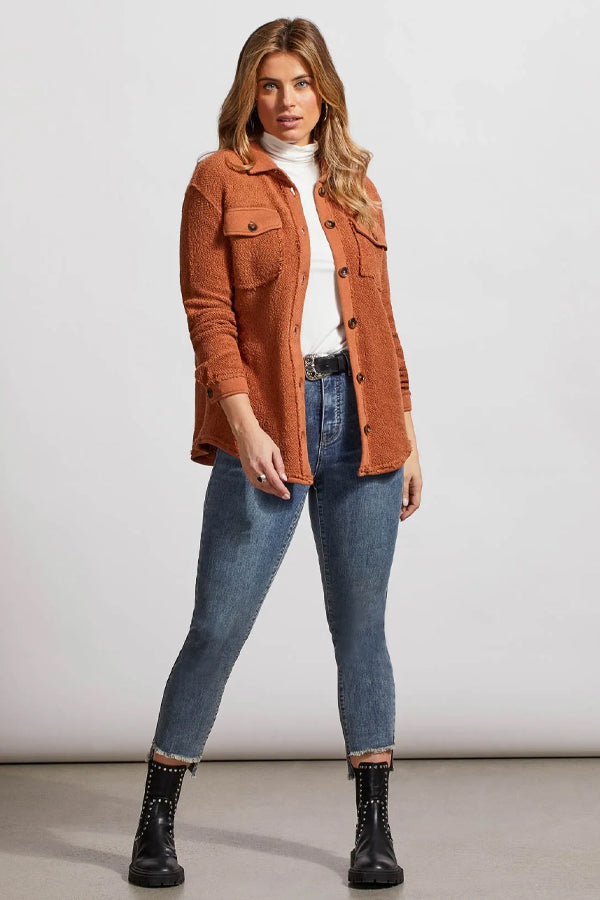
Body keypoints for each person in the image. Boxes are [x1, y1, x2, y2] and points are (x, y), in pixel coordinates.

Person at [128, 16, 422, 889]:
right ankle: (156, 821)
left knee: (362, 628)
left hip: (366, 425)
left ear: (323, 91)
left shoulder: (355, 185)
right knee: (218, 626)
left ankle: (374, 830)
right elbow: (208, 312)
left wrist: (407, 435)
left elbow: (382, 320)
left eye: (300, 83)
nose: (287, 100)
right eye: (269, 84)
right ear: (248, 94)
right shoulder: (218, 179)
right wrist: (243, 422)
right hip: (266, 424)